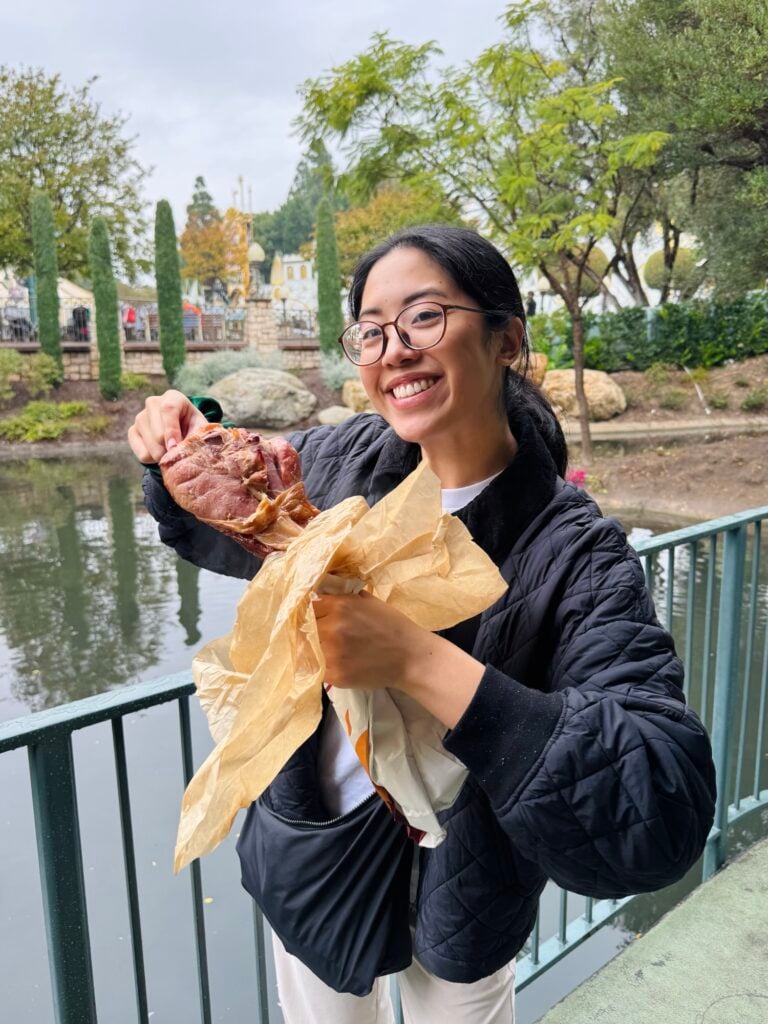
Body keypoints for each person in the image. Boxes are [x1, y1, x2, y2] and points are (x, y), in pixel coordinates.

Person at [129, 226, 716, 1024]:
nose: (394, 349)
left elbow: (660, 804)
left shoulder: (575, 549)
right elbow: (226, 519)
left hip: (467, 888)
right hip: (315, 851)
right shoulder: (344, 466)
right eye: (371, 330)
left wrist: (415, 660)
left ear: (508, 337)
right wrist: (184, 431)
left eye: (426, 317)